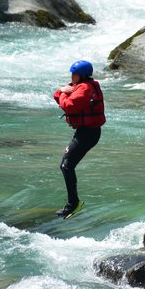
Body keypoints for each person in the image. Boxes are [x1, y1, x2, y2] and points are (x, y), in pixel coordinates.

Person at [52, 59, 105, 218]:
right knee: (66, 165)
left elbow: (68, 106)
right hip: (85, 132)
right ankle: (73, 203)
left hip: (88, 133)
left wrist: (62, 92)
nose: (71, 76)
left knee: (66, 165)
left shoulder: (85, 88)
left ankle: (73, 204)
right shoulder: (79, 86)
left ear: (81, 76)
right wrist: (61, 92)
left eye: (74, 74)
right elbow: (58, 97)